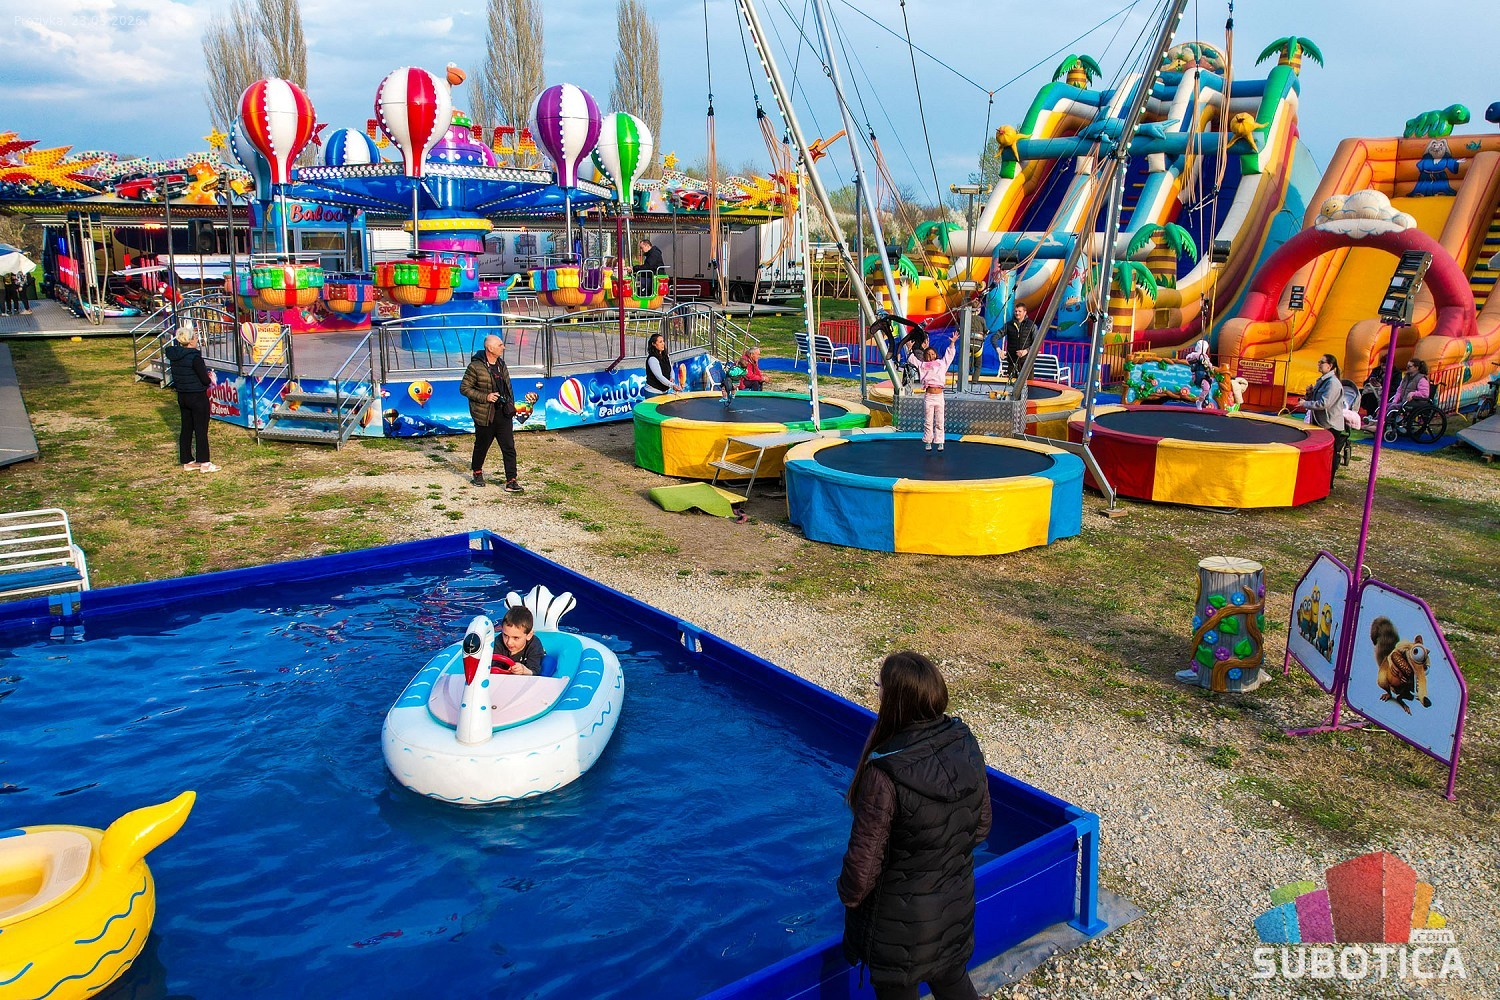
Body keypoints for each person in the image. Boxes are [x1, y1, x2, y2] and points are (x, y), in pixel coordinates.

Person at [839, 651, 992, 1000]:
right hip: (953, 911)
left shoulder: (884, 774)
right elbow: (981, 827)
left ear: (895, 700)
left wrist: (848, 897)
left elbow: (859, 877)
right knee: (954, 983)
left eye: (879, 686)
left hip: (897, 930)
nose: (876, 692)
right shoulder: (964, 743)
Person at [459, 333, 524, 492]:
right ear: (490, 348)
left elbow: (508, 387)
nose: (504, 347)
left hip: (503, 413)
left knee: (509, 447)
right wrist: (486, 397)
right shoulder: (475, 367)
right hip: (485, 414)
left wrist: (511, 405)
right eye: (500, 345)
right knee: (482, 446)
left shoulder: (501, 364)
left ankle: (511, 480)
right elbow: (464, 388)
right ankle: (477, 471)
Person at [164, 323, 219, 472]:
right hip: (197, 396)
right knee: (201, 429)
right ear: (190, 341)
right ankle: (204, 462)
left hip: (183, 395)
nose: (196, 339)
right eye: (195, 337)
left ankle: (187, 460)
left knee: (186, 428)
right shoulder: (194, 357)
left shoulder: (174, 356)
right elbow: (204, 380)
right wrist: (209, 377)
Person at [1299, 353, 1347, 487]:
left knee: (1329, 457)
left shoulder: (1333, 383)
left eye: (1321, 362)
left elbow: (1324, 403)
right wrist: (1310, 393)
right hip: (1321, 423)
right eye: (1319, 362)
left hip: (1330, 425)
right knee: (1320, 455)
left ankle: (1327, 484)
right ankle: (1317, 482)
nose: (1319, 364)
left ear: (1329, 366)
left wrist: (1304, 404)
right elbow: (1317, 400)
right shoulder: (1322, 380)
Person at [914, 340, 956, 451]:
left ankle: (940, 441)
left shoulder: (941, 364)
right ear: (925, 356)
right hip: (929, 396)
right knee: (928, 421)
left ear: (936, 355)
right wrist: (910, 349)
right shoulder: (923, 365)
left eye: (932, 354)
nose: (931, 356)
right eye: (928, 354)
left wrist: (952, 343)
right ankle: (928, 441)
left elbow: (949, 356)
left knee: (939, 420)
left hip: (939, 396)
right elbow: (913, 360)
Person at [492, 606, 546, 676]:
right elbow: (494, 666)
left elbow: (534, 670)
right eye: (505, 635)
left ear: (529, 635)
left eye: (516, 638)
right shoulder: (498, 641)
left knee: (548, 662)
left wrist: (524, 670)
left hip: (526, 672)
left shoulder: (534, 645)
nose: (509, 642)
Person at [1000, 303, 1037, 383]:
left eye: (1019, 311)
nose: (1017, 313)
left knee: (1028, 385)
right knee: (1012, 385)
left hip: (1026, 362)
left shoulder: (1031, 325)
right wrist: (999, 350)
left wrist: (1026, 351)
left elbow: (1037, 343)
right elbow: (995, 337)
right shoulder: (1009, 325)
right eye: (1016, 311)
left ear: (1025, 312)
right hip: (1012, 362)